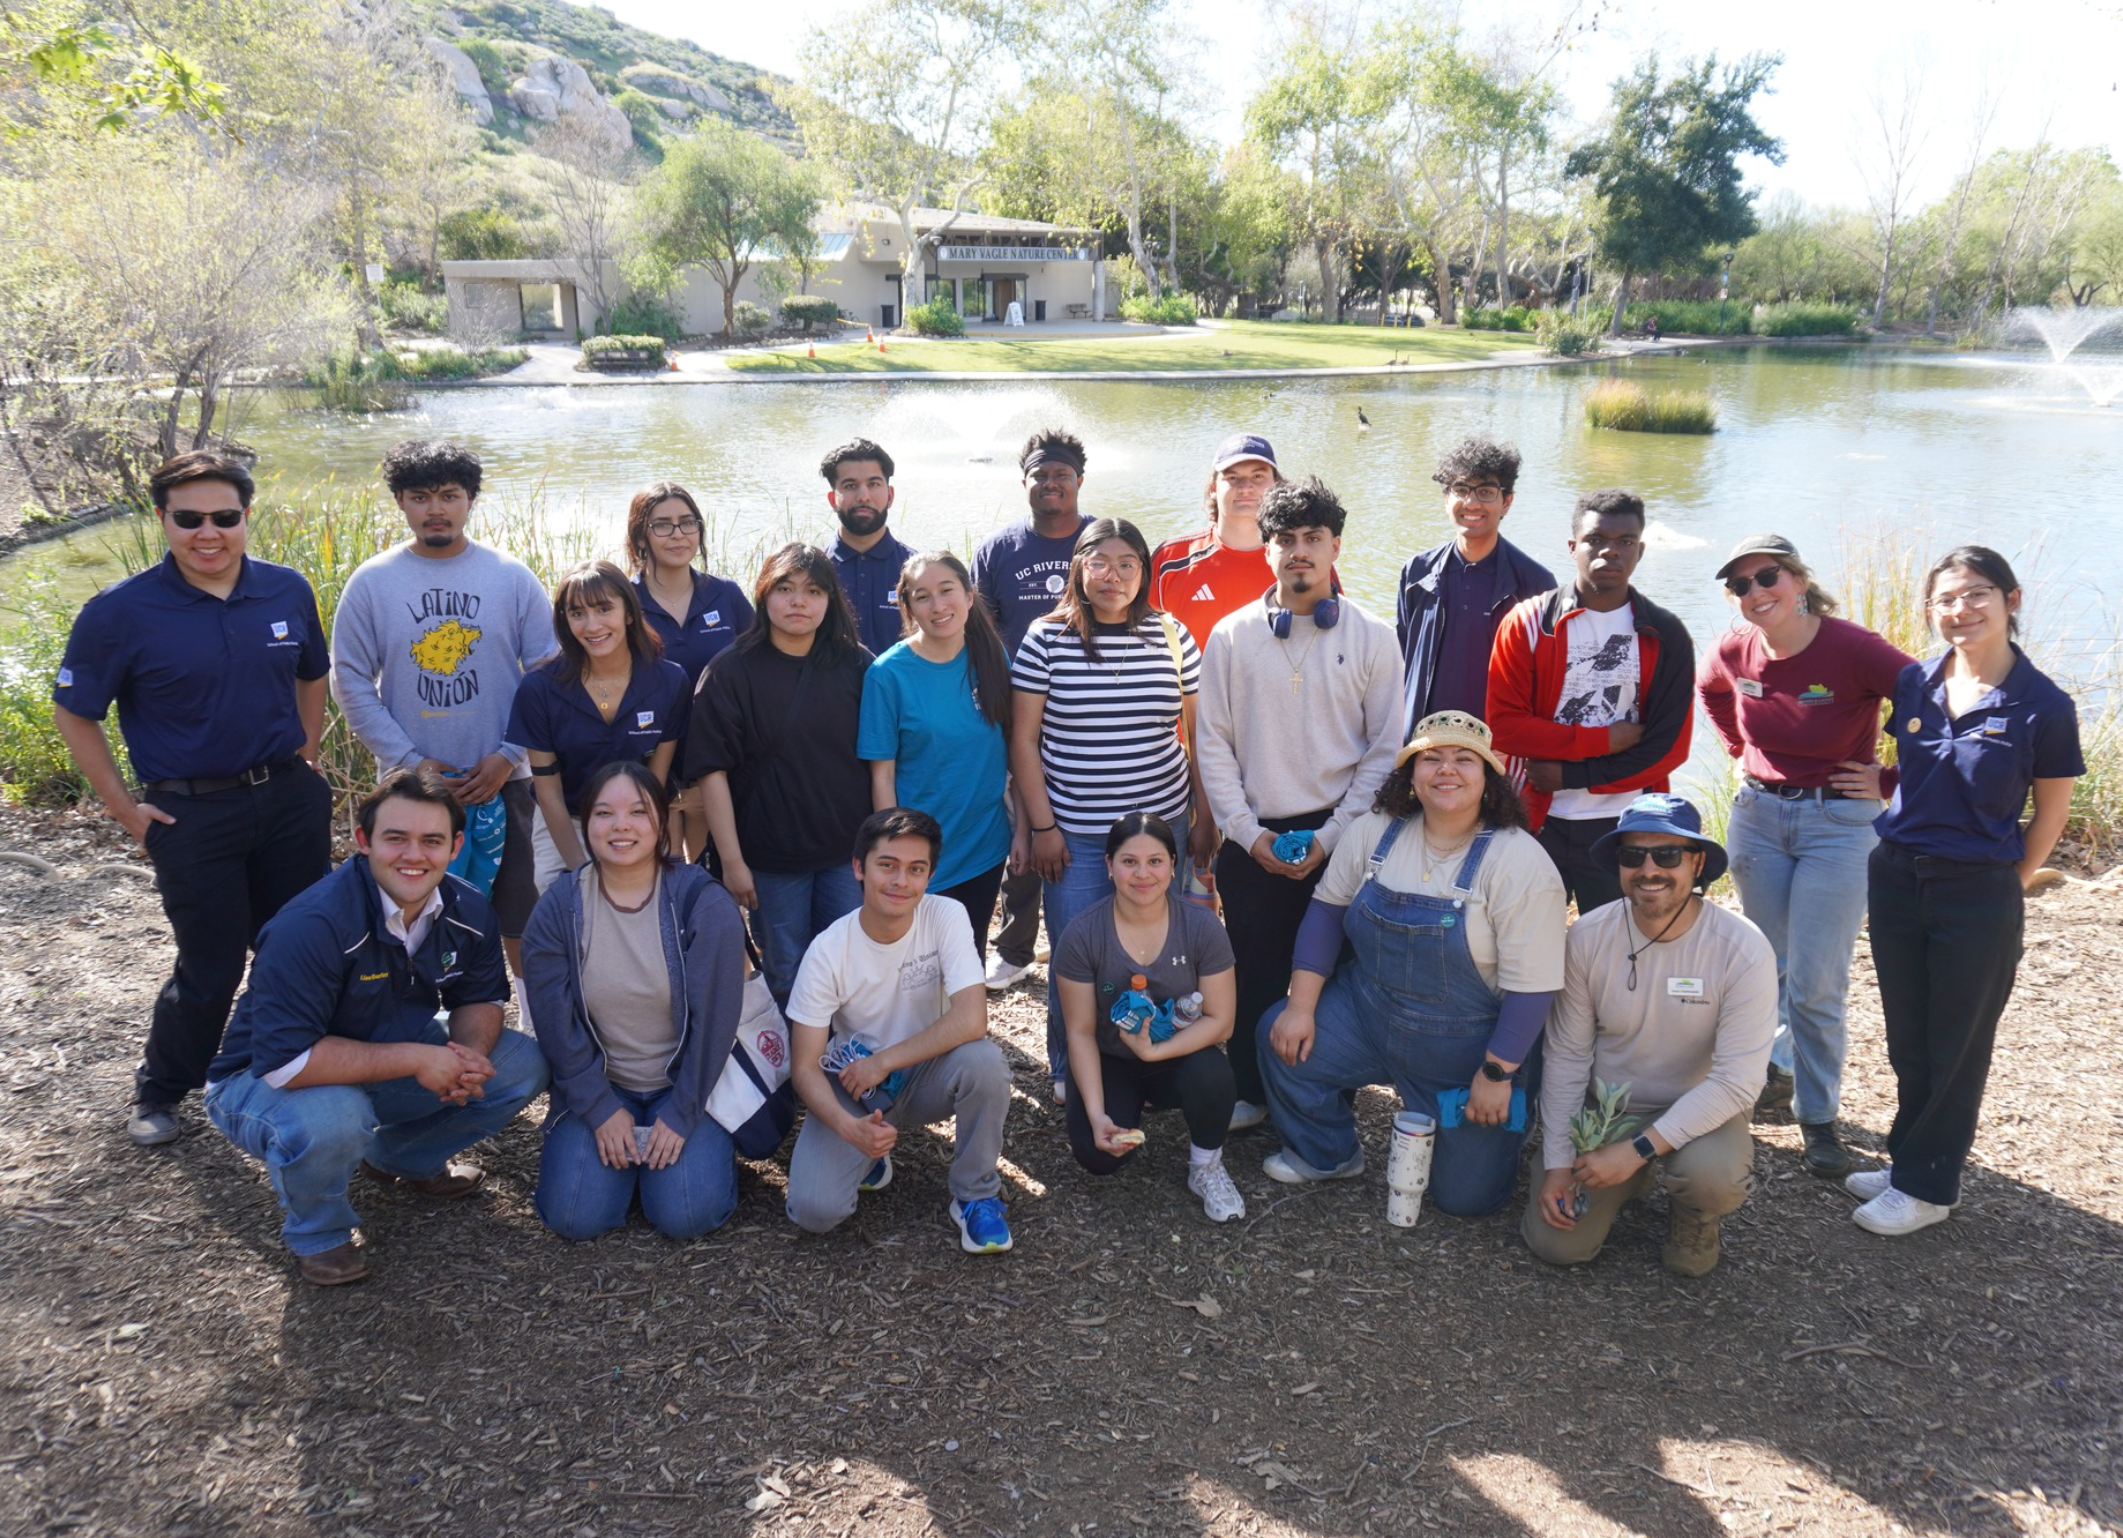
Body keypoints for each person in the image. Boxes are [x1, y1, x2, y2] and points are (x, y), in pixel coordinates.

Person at [53, 451, 333, 1148]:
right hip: (190, 812)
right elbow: (75, 713)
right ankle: (161, 1089)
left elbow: (312, 673)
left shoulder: (285, 590)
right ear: (162, 520)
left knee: (298, 948)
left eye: (224, 517)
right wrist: (124, 808)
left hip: (287, 800)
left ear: (245, 517)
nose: (208, 533)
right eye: (189, 519)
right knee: (209, 966)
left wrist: (307, 755)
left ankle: (283, 1068)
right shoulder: (119, 612)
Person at [201, 770, 550, 1285]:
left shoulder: (467, 906)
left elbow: (479, 996)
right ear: (363, 842)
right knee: (336, 1115)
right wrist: (420, 1060)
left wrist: (468, 1060)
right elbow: (287, 1061)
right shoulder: (314, 924)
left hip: (384, 1048)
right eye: (396, 838)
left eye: (431, 841)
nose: (415, 855)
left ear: (455, 847)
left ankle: (398, 1159)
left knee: (520, 1065)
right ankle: (320, 1233)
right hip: (259, 1078)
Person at [1849, 547, 2082, 1237]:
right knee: (1908, 1033)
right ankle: (1906, 1159)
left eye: (1976, 594)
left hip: (1976, 890)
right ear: (1930, 611)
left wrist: (2004, 884)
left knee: (1957, 1041)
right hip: (1895, 875)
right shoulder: (1915, 683)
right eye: (1945, 599)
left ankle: (1928, 1187)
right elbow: (1912, 773)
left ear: (2010, 600)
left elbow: (2052, 813)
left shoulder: (2042, 705)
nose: (1960, 610)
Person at [1259, 713, 1565, 1215]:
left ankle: (1514, 1108)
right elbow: (1326, 914)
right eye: (1431, 758)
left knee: (1465, 1201)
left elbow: (1534, 988)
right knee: (1278, 1034)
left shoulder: (1519, 862)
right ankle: (1328, 1154)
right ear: (1410, 773)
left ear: (1489, 778)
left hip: (1465, 1051)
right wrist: (1301, 1006)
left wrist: (1497, 1073)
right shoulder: (1374, 832)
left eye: (1465, 760)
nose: (1447, 770)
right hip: (1367, 1013)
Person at [1696, 533, 1912, 1176]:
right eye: (1740, 586)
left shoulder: (1852, 648)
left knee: (1818, 982)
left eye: (1766, 578)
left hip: (1839, 825)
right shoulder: (1737, 649)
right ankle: (1769, 1070)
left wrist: (1890, 780)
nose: (1755, 594)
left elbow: (1931, 698)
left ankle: (1817, 1119)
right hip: (1758, 819)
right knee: (1766, 962)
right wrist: (1740, 751)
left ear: (1796, 578)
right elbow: (1712, 690)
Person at [1197, 477, 1401, 1132]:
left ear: (1335, 546)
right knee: (1253, 969)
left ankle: (1324, 1097)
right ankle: (1252, 1090)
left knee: (1334, 975)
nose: (1299, 552)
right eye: (1285, 539)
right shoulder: (1229, 637)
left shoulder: (1373, 635)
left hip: (1340, 838)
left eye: (1313, 538)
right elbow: (1214, 746)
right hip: (1251, 836)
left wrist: (1335, 835)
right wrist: (1245, 833)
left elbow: (1383, 750)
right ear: (1266, 551)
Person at [1522, 793, 1775, 1277]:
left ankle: (1694, 1215)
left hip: (1699, 1108)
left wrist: (1636, 1150)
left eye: (1668, 855)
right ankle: (1626, 1178)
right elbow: (1568, 1056)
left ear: (1697, 862)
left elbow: (1739, 1081)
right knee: (1557, 1246)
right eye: (1632, 855)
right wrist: (1557, 1163)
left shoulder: (1743, 949)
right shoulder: (1587, 937)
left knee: (1713, 1179)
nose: (1649, 869)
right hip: (1610, 1109)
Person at [333, 440, 553, 987]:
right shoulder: (372, 582)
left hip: (506, 782)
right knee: (409, 915)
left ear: (470, 501)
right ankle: (415, 1025)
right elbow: (349, 677)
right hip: (410, 792)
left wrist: (509, 754)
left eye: (450, 496)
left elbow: (549, 673)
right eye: (420, 497)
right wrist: (409, 760)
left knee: (520, 917)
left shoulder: (510, 576)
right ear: (401, 503)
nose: (436, 509)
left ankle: (533, 1024)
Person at [1011, 517, 1205, 1101]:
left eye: (1127, 563)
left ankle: (1155, 1054)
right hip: (1078, 833)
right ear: (1079, 568)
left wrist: (1205, 818)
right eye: (1100, 562)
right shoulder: (1046, 637)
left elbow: (1195, 735)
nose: (1113, 575)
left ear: (1143, 571)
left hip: (1162, 829)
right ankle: (1072, 1064)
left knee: (1160, 947)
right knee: (1076, 950)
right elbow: (1024, 740)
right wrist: (1043, 826)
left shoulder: (1173, 634)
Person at [522, 761, 750, 1242]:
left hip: (687, 1084)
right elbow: (554, 1024)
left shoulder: (701, 903)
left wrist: (683, 1110)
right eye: (604, 813)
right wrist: (599, 1107)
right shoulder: (560, 907)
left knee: (686, 1213)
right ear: (587, 823)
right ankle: (626, 1163)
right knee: (572, 1217)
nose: (620, 825)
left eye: (637, 812)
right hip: (606, 1084)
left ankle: (680, 1160)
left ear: (661, 823)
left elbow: (715, 1023)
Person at [783, 808, 1012, 1253]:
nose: (900, 881)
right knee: (814, 1211)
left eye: (915, 869)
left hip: (926, 1072)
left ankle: (975, 1194)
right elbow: (805, 1067)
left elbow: (972, 1019)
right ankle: (869, 1154)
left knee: (986, 1062)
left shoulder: (945, 915)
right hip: (856, 1086)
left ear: (929, 876)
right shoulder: (828, 950)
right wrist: (849, 1130)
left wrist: (883, 1062)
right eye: (886, 865)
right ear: (858, 868)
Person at [1487, 489, 1695, 915]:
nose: (1609, 552)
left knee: (1621, 950)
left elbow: (1668, 749)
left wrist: (1570, 775)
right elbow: (1504, 728)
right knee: (1525, 945)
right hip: (1535, 817)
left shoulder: (1666, 633)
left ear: (1640, 549)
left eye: (1624, 542)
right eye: (1596, 539)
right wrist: (1600, 738)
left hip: (1628, 826)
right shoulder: (1527, 624)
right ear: (1572, 547)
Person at [686, 543, 874, 1009]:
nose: (798, 602)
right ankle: (792, 1072)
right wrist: (731, 861)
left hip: (843, 852)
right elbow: (712, 773)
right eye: (785, 589)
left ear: (830, 600)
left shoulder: (857, 664)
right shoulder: (730, 672)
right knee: (786, 968)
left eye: (813, 591)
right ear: (764, 594)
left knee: (847, 962)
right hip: (769, 856)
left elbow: (882, 759)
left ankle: (844, 1064)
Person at [1057, 813, 1246, 1221]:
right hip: (1110, 1055)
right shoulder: (1082, 934)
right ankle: (1119, 1108)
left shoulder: (1201, 927)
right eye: (1129, 862)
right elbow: (1080, 1032)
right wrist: (1096, 1114)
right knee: (1098, 1158)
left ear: (1173, 864)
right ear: (1108, 865)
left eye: (1155, 861)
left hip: (1176, 1053)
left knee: (1214, 1076)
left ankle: (1206, 1166)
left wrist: (1155, 1053)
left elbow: (1221, 1021)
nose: (1143, 874)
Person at [969, 428, 1093, 992]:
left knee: (1093, 823)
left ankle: (1101, 940)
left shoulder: (1101, 540)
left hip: (1093, 707)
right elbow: (983, 634)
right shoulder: (998, 550)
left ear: (1078, 482)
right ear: (1025, 482)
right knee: (1024, 825)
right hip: (1021, 710)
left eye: (1061, 475)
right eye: (1040, 475)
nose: (1051, 484)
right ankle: (1015, 946)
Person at [858, 551, 1014, 958]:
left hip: (984, 843)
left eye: (947, 591)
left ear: (968, 595)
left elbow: (1014, 753)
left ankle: (968, 1023)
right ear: (907, 607)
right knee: (915, 964)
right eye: (922, 596)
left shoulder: (993, 657)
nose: (938, 606)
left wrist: (1026, 831)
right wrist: (893, 853)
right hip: (919, 853)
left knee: (968, 953)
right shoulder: (887, 675)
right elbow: (883, 776)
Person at [505, 561, 690, 889]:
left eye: (604, 609)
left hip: (639, 818)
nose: (592, 626)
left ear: (629, 613)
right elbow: (549, 795)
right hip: (567, 821)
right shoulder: (539, 688)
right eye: (577, 613)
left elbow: (655, 784)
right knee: (562, 904)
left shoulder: (670, 681)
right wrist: (585, 874)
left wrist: (638, 839)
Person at [625, 481, 754, 863]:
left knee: (711, 879)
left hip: (717, 768)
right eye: (662, 524)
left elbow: (759, 664)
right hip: (646, 767)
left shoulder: (726, 595)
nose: (677, 534)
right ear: (641, 536)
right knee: (656, 875)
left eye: (687, 522)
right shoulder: (623, 600)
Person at [1395, 436, 1555, 737]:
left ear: (1506, 502)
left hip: (1497, 747)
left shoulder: (1535, 584)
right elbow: (1401, 662)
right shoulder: (1416, 573)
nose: (1471, 503)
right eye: (1461, 490)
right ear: (1446, 499)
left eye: (1485, 492)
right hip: (1423, 741)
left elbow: (1545, 681)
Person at [1149, 432, 1283, 651]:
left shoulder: (1301, 560)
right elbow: (1137, 636)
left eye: (1258, 477)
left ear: (1276, 484)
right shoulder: (1171, 559)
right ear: (1213, 488)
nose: (1246, 487)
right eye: (1232, 478)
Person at [822, 438, 914, 657]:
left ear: (890, 496)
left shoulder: (916, 571)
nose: (864, 496)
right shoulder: (812, 571)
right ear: (833, 499)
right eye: (850, 486)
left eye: (874, 484)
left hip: (898, 691)